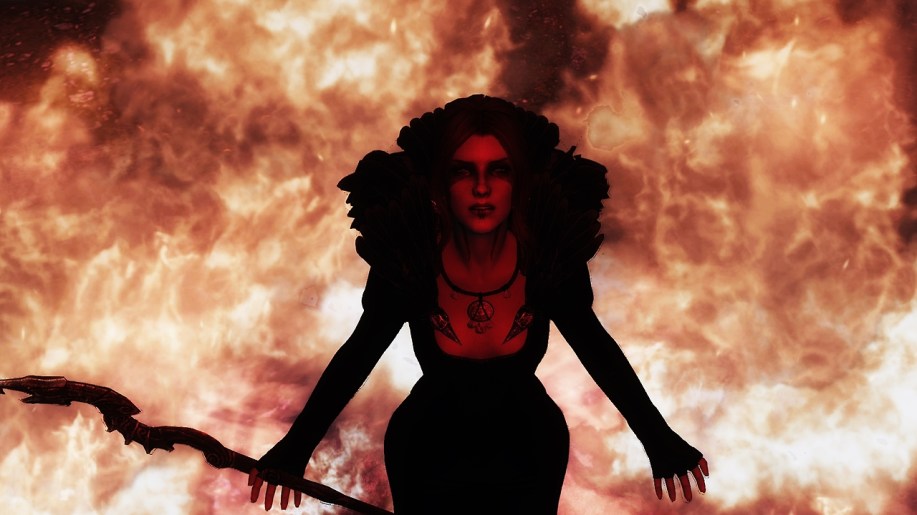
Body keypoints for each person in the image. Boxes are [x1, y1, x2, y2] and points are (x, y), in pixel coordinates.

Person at [247, 95, 708, 514]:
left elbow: (596, 348)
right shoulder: (409, 252)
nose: (482, 187)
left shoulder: (549, 252)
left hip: (531, 451)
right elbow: (358, 354)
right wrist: (297, 447)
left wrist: (658, 438)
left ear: (520, 181)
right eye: (463, 171)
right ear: (440, 182)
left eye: (499, 170)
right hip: (425, 452)